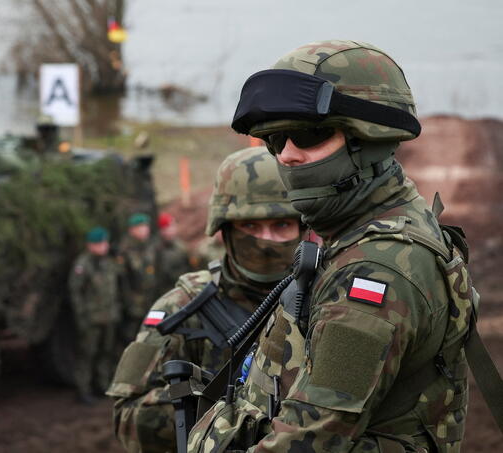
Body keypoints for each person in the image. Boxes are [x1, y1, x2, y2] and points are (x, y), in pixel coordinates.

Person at [189, 40, 475, 453]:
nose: (287, 156)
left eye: (309, 134)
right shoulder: (372, 229)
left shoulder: (376, 270)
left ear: (370, 137)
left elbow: (307, 441)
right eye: (276, 140)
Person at [106, 146, 306, 453]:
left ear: (302, 228)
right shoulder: (183, 306)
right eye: (250, 226)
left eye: (281, 225)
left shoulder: (324, 300)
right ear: (225, 230)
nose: (266, 241)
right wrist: (218, 405)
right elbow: (127, 418)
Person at [69, 226, 120, 405]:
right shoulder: (83, 265)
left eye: (105, 243)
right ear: (91, 245)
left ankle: (102, 385)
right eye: (101, 243)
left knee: (106, 352)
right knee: (87, 354)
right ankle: (83, 390)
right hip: (91, 318)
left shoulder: (108, 262)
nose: (105, 246)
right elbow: (76, 293)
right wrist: (81, 318)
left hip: (109, 316)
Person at [119, 212, 160, 342]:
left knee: (151, 336)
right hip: (132, 305)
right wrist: (127, 303)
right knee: (132, 338)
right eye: (141, 227)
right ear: (132, 230)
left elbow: (158, 271)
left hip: (151, 300)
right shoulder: (125, 250)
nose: (145, 229)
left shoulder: (152, 246)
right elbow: (122, 281)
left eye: (146, 226)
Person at [156, 211, 193, 296]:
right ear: (163, 230)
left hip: (184, 290)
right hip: (167, 293)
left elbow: (189, 267)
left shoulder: (181, 246)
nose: (173, 228)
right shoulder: (157, 250)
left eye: (173, 225)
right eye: (170, 226)